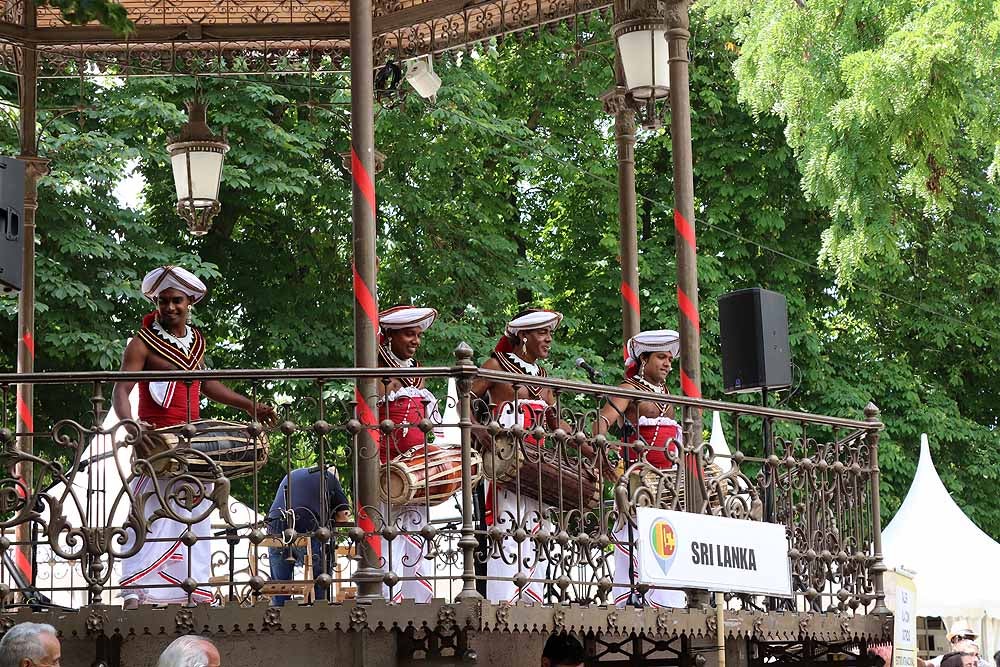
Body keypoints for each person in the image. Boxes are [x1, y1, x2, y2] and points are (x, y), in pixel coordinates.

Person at [113, 265, 276, 608]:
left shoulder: (196, 341)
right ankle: (139, 590)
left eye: (177, 301)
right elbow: (121, 389)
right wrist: (132, 426)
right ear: (156, 303)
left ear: (190, 303)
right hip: (157, 443)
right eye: (163, 301)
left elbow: (208, 385)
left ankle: (191, 588)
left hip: (194, 447)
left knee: (197, 514)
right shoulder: (141, 343)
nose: (170, 307)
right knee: (149, 516)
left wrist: (250, 407)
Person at [470, 308, 564, 604]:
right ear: (523, 336)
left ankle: (531, 603)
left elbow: (556, 423)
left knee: (537, 532)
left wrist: (592, 447)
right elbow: (463, 403)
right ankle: (503, 604)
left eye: (550, 333)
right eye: (542, 333)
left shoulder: (544, 378)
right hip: (503, 467)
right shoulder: (495, 366)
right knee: (507, 533)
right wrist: (481, 431)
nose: (549, 339)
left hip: (537, 470)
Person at [595, 329, 685, 609]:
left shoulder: (668, 394)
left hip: (669, 483)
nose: (668, 364)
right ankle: (635, 595)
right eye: (661, 358)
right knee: (639, 536)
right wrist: (603, 452)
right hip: (640, 479)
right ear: (644, 360)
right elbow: (601, 422)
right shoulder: (629, 390)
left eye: (670, 359)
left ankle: (666, 599)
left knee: (667, 538)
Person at [376, 305, 443, 603]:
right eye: (408, 333)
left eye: (418, 334)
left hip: (417, 474)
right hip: (387, 473)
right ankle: (390, 604)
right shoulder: (377, 374)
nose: (416, 340)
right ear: (389, 336)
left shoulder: (417, 374)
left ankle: (419, 604)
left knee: (418, 538)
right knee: (389, 539)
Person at [266, 466, 351, 606]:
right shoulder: (330, 477)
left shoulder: (293, 474)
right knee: (321, 570)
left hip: (276, 525)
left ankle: (280, 611)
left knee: (280, 582)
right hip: (305, 525)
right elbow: (343, 516)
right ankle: (319, 606)